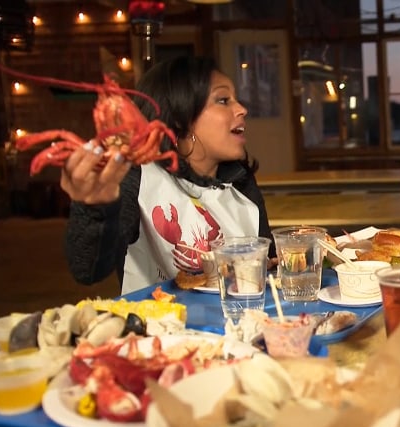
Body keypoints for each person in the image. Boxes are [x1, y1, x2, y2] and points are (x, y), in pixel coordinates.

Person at [61, 56, 274, 294]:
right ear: (181, 117)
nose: (242, 109)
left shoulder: (240, 181)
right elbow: (87, 270)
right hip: (159, 325)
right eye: (223, 100)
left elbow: (268, 267)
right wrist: (93, 208)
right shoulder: (137, 176)